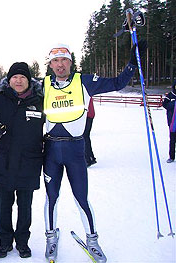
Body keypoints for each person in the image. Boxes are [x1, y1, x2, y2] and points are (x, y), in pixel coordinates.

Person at [42, 42, 146, 263]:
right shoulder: (44, 85)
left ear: (71, 62)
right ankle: (50, 238)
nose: (60, 65)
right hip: (50, 149)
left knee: (82, 198)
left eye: (64, 60)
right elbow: (15, 91)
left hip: (75, 149)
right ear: (50, 64)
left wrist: (132, 64)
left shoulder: (85, 81)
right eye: (55, 61)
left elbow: (118, 83)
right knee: (51, 198)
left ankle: (92, 240)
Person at [0, 62, 45, 259]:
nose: (18, 80)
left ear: (29, 80)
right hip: (4, 162)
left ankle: (23, 242)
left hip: (29, 162)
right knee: (4, 206)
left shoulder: (40, 100)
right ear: (8, 80)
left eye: (23, 77)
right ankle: (5, 242)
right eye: (15, 77)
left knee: (25, 207)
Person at [162, 80, 176, 163]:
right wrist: (172, 104)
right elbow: (165, 105)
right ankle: (171, 157)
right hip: (172, 123)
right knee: (172, 140)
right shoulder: (170, 95)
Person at [83, 97, 96, 167]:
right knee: (86, 137)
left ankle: (88, 159)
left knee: (84, 137)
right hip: (89, 115)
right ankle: (90, 157)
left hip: (87, 115)